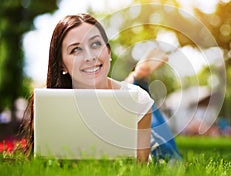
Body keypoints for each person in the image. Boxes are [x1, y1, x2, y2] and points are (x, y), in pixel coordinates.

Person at [21, 13, 180, 162]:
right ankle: (135, 79)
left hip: (148, 137)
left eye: (96, 44)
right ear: (62, 64)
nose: (90, 57)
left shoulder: (138, 99)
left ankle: (138, 79)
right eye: (76, 49)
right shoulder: (48, 105)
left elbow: (139, 167)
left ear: (109, 53)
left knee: (169, 157)